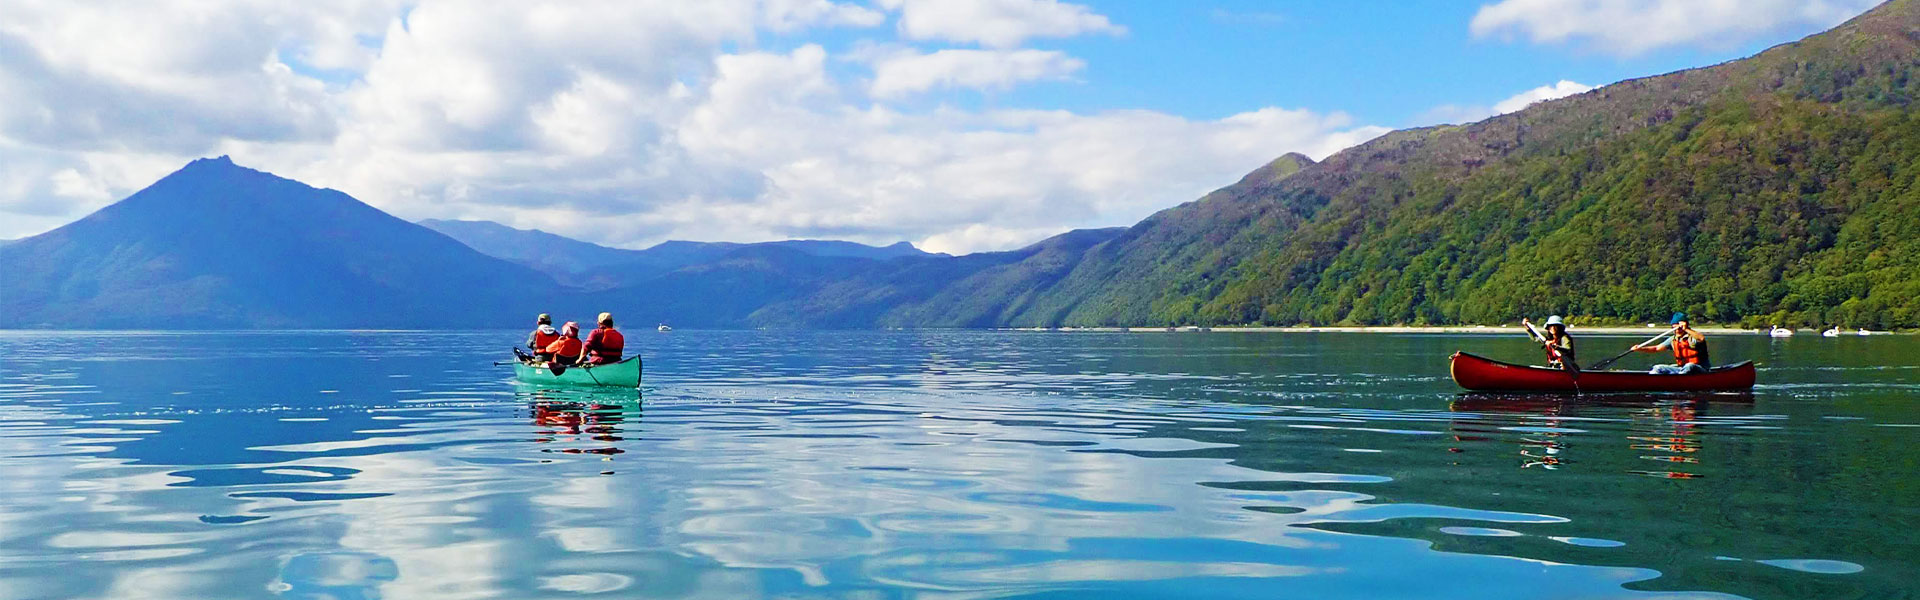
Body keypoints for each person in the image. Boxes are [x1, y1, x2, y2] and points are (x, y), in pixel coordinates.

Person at [1634, 312, 1710, 374]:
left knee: (1689, 366)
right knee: (1658, 367)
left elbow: (1701, 338)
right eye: (1674, 328)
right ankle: (1652, 382)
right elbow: (1656, 348)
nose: (1677, 330)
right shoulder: (1673, 339)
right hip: (1682, 369)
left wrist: (1686, 329)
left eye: (1679, 328)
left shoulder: (1693, 337)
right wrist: (1640, 348)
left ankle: (1679, 381)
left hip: (1700, 369)